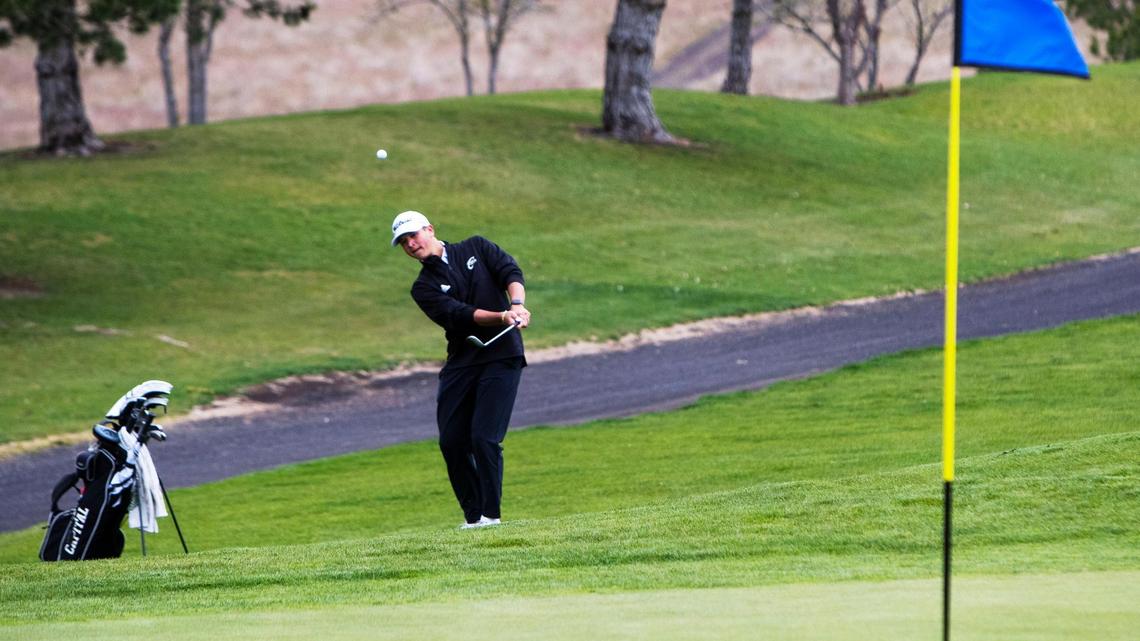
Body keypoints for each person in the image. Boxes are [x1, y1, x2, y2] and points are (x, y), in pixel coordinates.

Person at [390, 210, 531, 529]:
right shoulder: (423, 288)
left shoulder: (476, 247)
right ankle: (473, 518)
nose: (411, 244)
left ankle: (490, 517)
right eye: (403, 242)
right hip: (462, 362)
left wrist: (517, 304)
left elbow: (509, 270)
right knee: (452, 441)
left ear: (430, 229)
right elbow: (459, 315)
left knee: (484, 437)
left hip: (501, 356)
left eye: (413, 235)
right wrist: (502, 317)